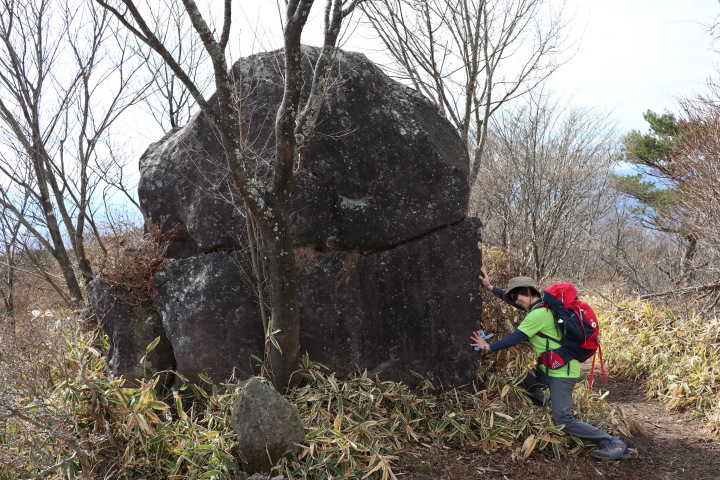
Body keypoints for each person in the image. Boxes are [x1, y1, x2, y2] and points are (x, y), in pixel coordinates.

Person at [471, 267, 629, 461]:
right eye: (512, 298)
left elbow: (515, 337)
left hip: (562, 372)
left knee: (563, 419)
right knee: (523, 383)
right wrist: (490, 287)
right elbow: (516, 303)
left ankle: (611, 441)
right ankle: (546, 406)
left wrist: (487, 347)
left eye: (517, 296)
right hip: (549, 367)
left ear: (529, 292)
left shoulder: (537, 315)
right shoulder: (543, 307)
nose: (515, 300)